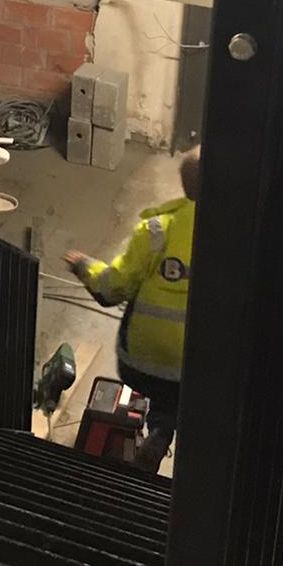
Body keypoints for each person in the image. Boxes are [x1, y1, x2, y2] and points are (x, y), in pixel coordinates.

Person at [63, 147, 200, 471]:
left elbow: (113, 290)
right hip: (201, 372)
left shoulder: (157, 230)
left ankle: (161, 430)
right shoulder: (241, 237)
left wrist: (84, 265)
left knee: (166, 388)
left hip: (140, 364)